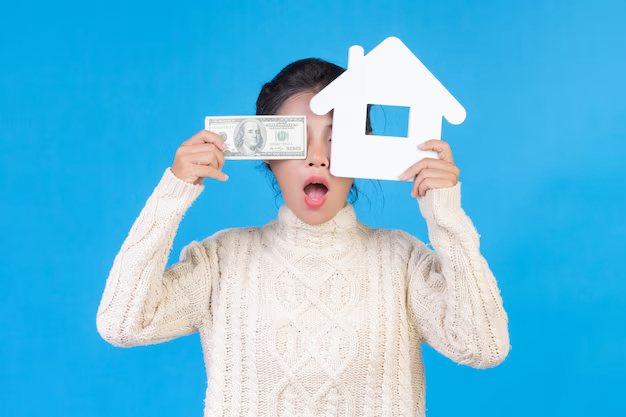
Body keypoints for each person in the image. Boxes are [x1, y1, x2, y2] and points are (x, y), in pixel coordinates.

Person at [95, 58, 510, 417]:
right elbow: (123, 323)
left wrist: (446, 217)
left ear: (364, 154)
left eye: (336, 138)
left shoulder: (401, 262)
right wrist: (174, 191)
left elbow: (482, 346)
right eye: (297, 140)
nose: (318, 157)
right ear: (267, 156)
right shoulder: (221, 261)